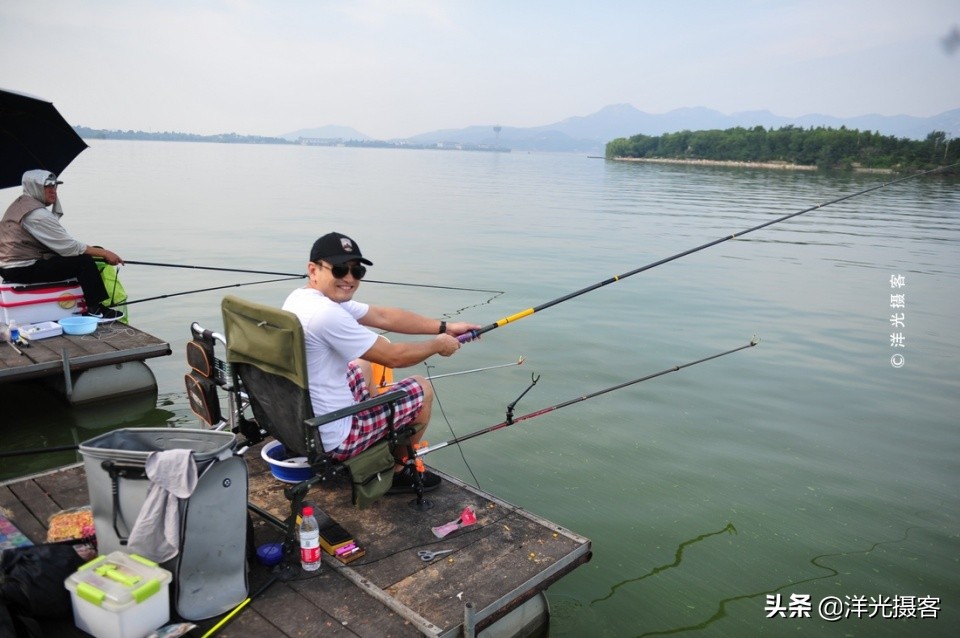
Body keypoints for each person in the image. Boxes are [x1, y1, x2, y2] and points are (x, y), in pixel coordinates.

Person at [282, 231, 480, 493]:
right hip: (334, 436)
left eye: (357, 271)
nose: (349, 279)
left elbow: (383, 316)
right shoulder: (326, 313)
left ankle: (377, 434)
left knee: (362, 364)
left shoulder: (302, 299)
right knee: (422, 388)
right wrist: (437, 345)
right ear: (313, 270)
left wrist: (446, 326)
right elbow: (393, 357)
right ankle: (395, 473)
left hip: (303, 419)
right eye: (340, 270)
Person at [0, 169, 125, 319]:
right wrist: (105, 253)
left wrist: (95, 251)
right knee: (83, 262)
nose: (53, 190)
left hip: (10, 266)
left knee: (86, 255)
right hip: (21, 268)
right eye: (48, 186)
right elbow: (69, 247)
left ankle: (82, 304)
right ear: (34, 187)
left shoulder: (21, 203)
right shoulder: (36, 214)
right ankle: (95, 309)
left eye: (55, 185)